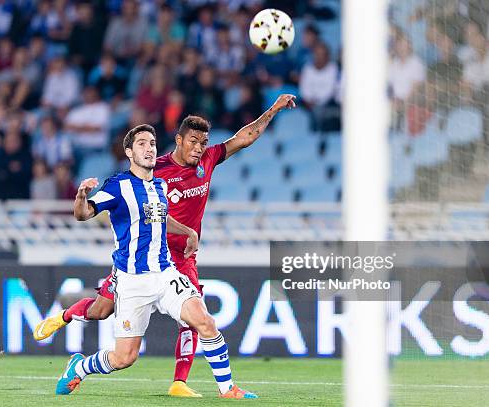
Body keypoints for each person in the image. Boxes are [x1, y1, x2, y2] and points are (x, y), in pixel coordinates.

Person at [33, 94, 296, 396]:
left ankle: (208, 386)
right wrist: (81, 198)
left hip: (170, 265)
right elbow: (87, 213)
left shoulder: (182, 173)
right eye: (193, 142)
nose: (199, 148)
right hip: (133, 270)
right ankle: (73, 348)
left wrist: (273, 110)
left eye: (203, 142)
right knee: (111, 331)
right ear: (179, 141)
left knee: (203, 321)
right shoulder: (145, 175)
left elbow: (244, 138)